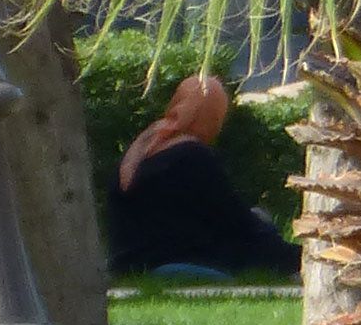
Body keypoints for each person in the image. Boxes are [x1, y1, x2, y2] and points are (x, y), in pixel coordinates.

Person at [109, 71, 296, 279]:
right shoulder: (193, 155)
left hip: (130, 261)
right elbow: (235, 219)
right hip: (172, 259)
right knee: (259, 235)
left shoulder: (144, 146)